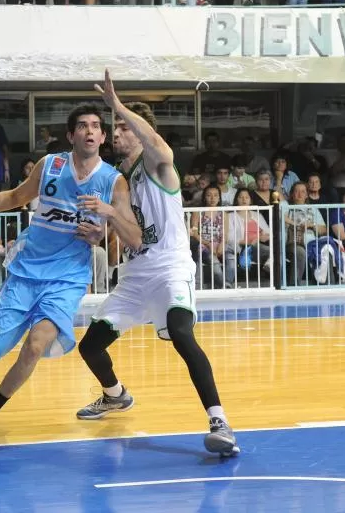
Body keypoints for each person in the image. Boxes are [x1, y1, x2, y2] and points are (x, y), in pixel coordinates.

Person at [0, 103, 143, 451]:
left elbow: (131, 234)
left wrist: (100, 232)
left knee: (34, 346)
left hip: (67, 279)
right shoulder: (51, 166)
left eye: (95, 126)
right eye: (82, 126)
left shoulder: (112, 181)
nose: (89, 131)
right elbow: (16, 197)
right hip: (26, 272)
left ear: (103, 137)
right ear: (71, 134)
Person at [72, 71, 237, 456]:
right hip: (134, 275)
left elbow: (155, 142)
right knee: (91, 347)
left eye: (121, 128)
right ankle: (115, 396)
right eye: (114, 128)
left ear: (138, 131)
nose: (115, 134)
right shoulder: (122, 180)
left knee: (181, 333)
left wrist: (119, 106)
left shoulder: (160, 165)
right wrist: (101, 231)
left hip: (169, 268)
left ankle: (220, 421)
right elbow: (130, 230)